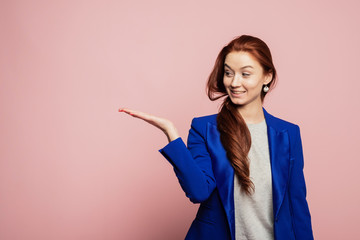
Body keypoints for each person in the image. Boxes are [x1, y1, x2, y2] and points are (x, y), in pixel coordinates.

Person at [119, 35, 314, 240]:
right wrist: (171, 134)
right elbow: (199, 191)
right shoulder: (205, 128)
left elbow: (297, 206)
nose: (234, 82)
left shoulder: (288, 133)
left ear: (267, 76)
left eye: (245, 74)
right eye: (228, 73)